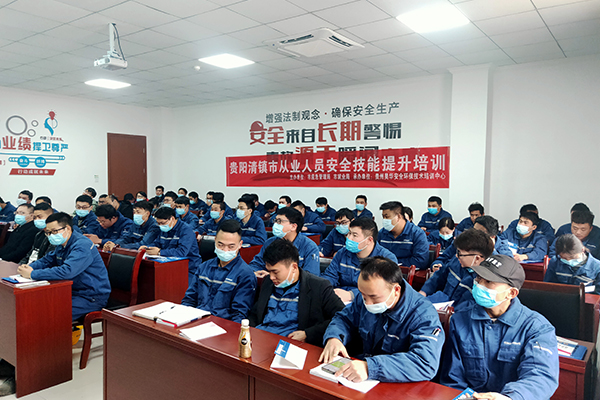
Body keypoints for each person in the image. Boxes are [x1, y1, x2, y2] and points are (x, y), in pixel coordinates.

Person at [441, 254, 559, 400]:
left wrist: (510, 397)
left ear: (511, 293)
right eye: (478, 278)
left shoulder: (537, 328)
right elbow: (453, 377)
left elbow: (540, 377)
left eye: (488, 281)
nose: (479, 284)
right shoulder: (460, 320)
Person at [320, 256, 444, 383]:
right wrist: (334, 337)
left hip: (397, 382)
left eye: (374, 297)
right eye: (363, 295)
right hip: (363, 375)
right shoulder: (366, 296)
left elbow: (425, 363)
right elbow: (344, 318)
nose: (367, 303)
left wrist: (370, 368)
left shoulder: (423, 315)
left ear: (396, 290)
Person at [249, 238, 344, 346]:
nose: (271, 277)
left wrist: (308, 334)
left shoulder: (318, 287)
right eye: (269, 271)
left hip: (291, 343)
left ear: (294, 267)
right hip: (261, 337)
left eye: (275, 272)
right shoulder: (268, 282)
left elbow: (341, 317)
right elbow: (255, 314)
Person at [17, 212, 111, 320]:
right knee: (36, 304)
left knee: (50, 313)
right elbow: (48, 260)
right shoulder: (63, 243)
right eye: (48, 232)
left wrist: (32, 274)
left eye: (54, 231)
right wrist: (30, 267)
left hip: (91, 296)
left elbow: (67, 271)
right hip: (69, 290)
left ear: (67, 228)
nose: (51, 235)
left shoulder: (82, 245)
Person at [182, 220, 257, 322]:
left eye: (231, 246)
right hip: (197, 320)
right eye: (220, 245)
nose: (225, 250)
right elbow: (189, 300)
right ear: (215, 240)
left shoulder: (245, 274)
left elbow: (239, 315)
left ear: (240, 244)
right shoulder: (204, 267)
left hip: (223, 325)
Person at [322, 218, 397, 303]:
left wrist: (351, 295)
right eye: (349, 233)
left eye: (354, 235)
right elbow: (330, 276)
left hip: (368, 302)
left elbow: (382, 289)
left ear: (369, 240)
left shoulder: (386, 259)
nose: (349, 238)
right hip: (339, 297)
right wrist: (325, 289)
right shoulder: (342, 253)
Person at [420, 228, 494, 309]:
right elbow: (439, 276)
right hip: (441, 302)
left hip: (458, 312)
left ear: (477, 258)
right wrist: (424, 291)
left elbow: (469, 308)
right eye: (457, 252)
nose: (456, 256)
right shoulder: (457, 261)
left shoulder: (483, 281)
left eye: (460, 254)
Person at [249, 207, 320, 277]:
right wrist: (256, 272)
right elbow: (256, 264)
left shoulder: (309, 246)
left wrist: (279, 275)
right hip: (270, 281)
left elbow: (311, 276)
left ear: (293, 226)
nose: (275, 224)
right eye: (275, 220)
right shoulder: (270, 242)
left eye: (279, 221)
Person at [140, 206, 202, 282]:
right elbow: (157, 243)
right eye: (158, 223)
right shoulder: (165, 228)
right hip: (168, 264)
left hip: (188, 267)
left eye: (162, 223)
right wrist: (147, 248)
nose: (161, 226)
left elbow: (182, 252)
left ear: (172, 218)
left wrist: (159, 252)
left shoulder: (186, 230)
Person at [430, 215, 512, 272]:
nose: (474, 234)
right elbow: (443, 258)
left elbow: (506, 270)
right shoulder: (463, 241)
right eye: (474, 230)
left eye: (479, 233)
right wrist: (436, 265)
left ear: (492, 236)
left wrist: (490, 248)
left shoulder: (503, 249)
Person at [377, 201, 429, 269]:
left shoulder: (417, 233)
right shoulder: (382, 233)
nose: (384, 220)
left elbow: (421, 261)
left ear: (398, 217)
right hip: (384, 271)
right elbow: (375, 255)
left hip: (406, 272)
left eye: (387, 217)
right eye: (383, 217)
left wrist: (393, 263)